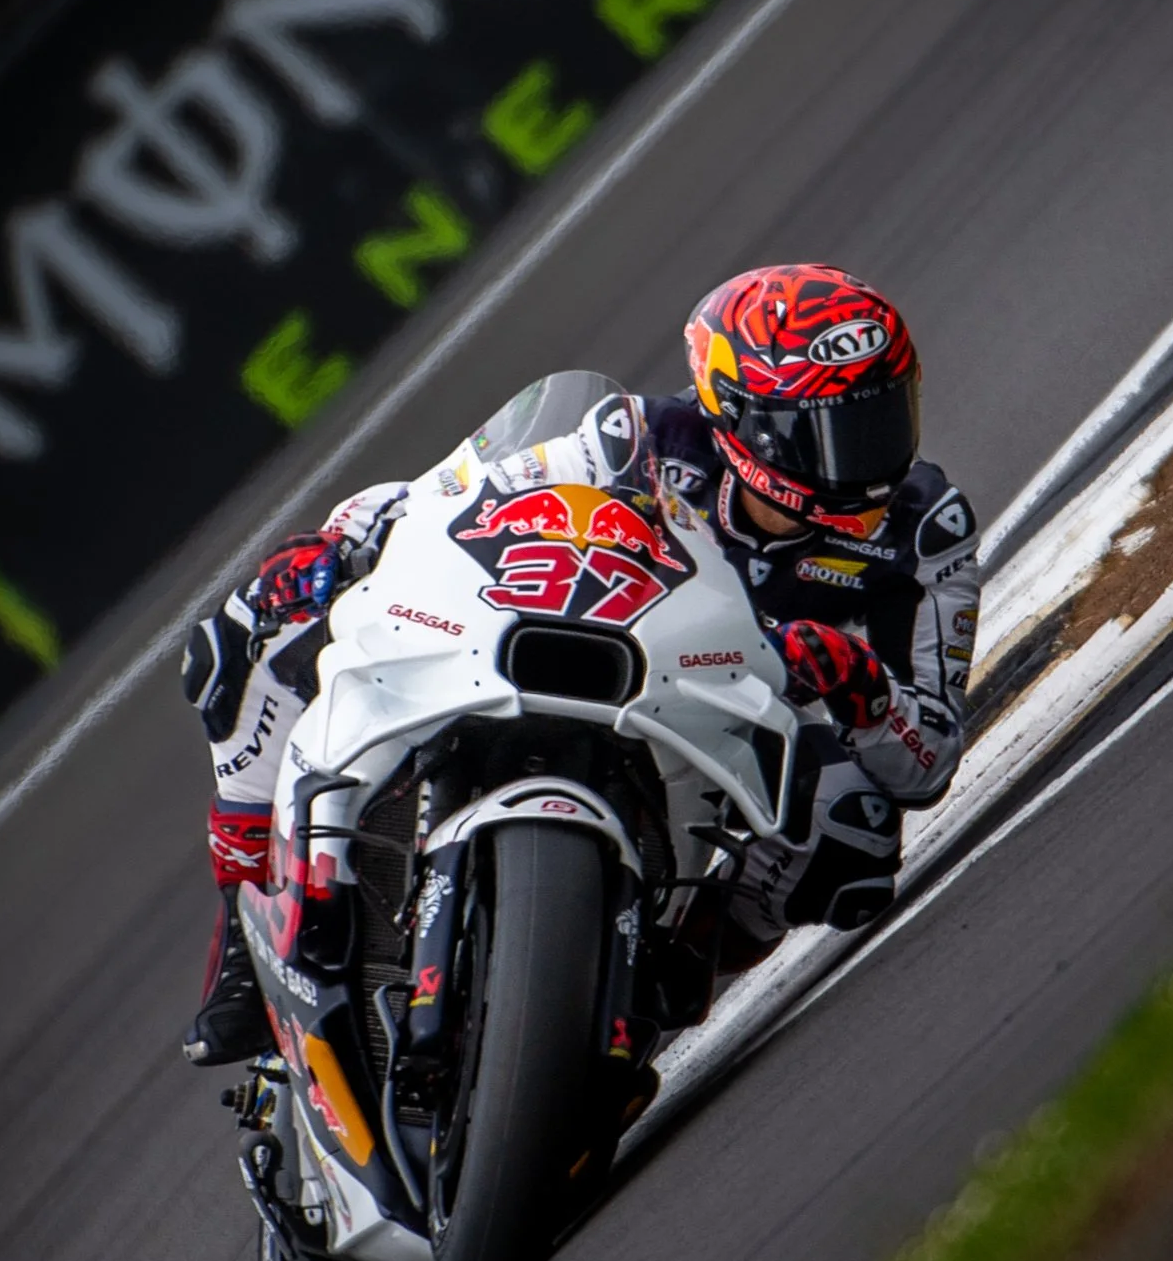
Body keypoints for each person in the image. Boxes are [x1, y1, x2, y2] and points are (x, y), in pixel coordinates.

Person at [181, 264, 979, 1064]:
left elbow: (928, 762)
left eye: (884, 413)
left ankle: (661, 992)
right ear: (748, 421)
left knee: (855, 834)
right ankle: (247, 930)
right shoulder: (636, 439)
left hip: (736, 730)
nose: (871, 458)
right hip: (590, 653)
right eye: (837, 429)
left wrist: (866, 692)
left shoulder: (923, 531)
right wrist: (345, 538)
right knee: (245, 629)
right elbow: (459, 491)